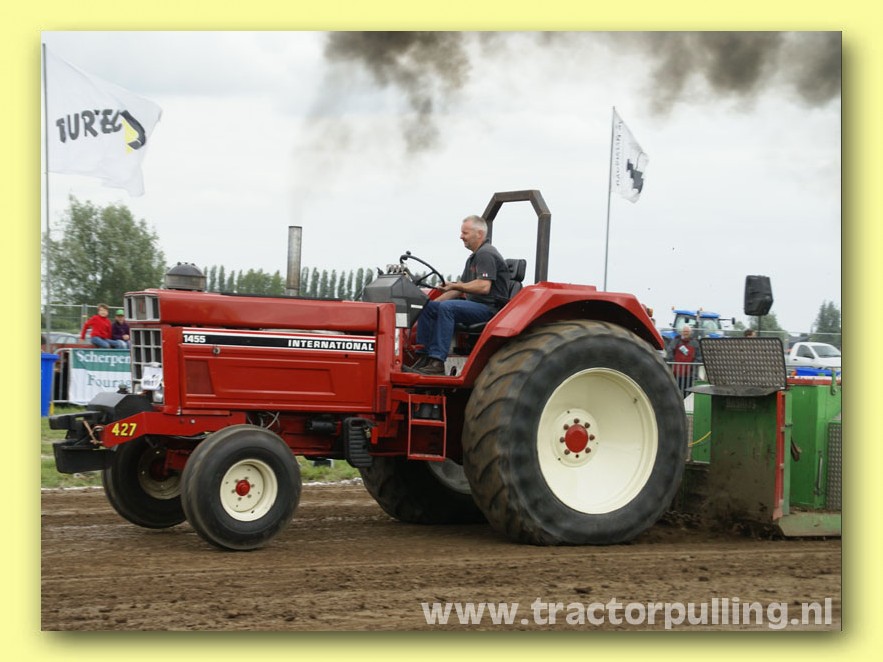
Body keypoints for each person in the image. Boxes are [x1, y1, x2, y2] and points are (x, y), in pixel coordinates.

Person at [406, 215, 510, 375]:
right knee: (427, 307)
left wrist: (455, 286)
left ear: (479, 234)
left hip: (489, 309)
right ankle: (423, 356)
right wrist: (433, 303)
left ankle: (437, 361)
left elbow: (484, 286)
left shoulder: (486, 254)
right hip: (474, 306)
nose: (461, 236)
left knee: (448, 308)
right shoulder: (474, 257)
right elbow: (460, 288)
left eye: (465, 233)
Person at [666, 324, 702, 397]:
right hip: (676, 374)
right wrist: (674, 364)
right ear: (682, 332)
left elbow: (699, 356)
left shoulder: (695, 343)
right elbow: (669, 352)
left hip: (690, 374)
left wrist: (692, 366)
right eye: (684, 331)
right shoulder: (675, 341)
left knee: (688, 393)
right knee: (676, 392)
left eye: (687, 332)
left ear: (690, 333)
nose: (686, 333)